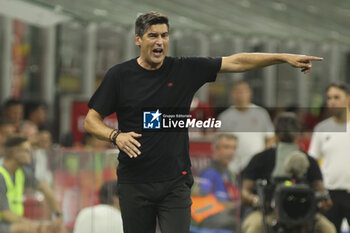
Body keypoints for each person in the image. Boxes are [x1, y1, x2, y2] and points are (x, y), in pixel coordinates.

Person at [84, 11, 323, 233]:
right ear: (138, 39)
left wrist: (282, 57)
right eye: (152, 36)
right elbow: (91, 120)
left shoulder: (184, 69)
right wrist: (116, 136)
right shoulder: (120, 75)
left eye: (165, 35)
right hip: (134, 182)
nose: (160, 41)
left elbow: (237, 62)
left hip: (175, 183)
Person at [241, 112, 335, 233]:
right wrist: (257, 201)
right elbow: (245, 191)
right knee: (254, 227)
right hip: (270, 213)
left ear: (274, 135)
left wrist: (324, 199)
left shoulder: (310, 162)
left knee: (328, 229)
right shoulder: (261, 159)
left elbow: (320, 188)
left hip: (304, 214)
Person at [0, 135, 65, 233]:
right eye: (27, 151)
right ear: (15, 153)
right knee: (32, 228)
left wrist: (58, 214)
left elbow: (45, 188)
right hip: (3, 223)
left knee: (57, 229)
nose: (30, 154)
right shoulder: (1, 175)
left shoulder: (21, 172)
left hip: (13, 223)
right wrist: (35, 225)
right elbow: (6, 215)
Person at [308, 83, 350, 233]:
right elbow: (312, 162)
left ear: (348, 99)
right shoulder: (321, 129)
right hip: (330, 196)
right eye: (329, 98)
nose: (331, 101)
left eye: (336, 97)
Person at [218, 80, 275, 175]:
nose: (241, 95)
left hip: (257, 167)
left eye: (244, 91)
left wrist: (262, 158)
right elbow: (220, 142)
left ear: (250, 94)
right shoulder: (225, 117)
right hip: (233, 167)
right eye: (238, 92)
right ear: (232, 94)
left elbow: (270, 138)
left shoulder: (261, 113)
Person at [195, 133, 239, 231]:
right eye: (226, 147)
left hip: (227, 222)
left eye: (233, 148)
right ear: (215, 149)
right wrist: (240, 206)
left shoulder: (231, 174)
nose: (230, 152)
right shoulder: (209, 173)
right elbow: (216, 205)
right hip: (211, 226)